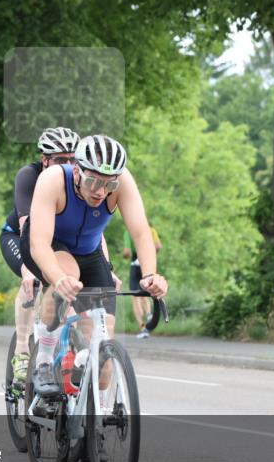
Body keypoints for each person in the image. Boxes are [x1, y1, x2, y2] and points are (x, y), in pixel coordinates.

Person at [22, 135, 168, 395]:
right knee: (67, 275)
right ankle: (43, 359)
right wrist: (57, 279)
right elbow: (39, 245)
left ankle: (86, 407)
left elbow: (142, 234)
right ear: (76, 170)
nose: (100, 191)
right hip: (48, 244)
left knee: (103, 359)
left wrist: (150, 275)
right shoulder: (53, 179)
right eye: (92, 181)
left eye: (108, 184)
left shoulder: (122, 183)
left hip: (90, 253)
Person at [0, 126, 80, 382]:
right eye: (59, 160)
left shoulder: (80, 179)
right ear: (45, 160)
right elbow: (27, 228)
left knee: (68, 288)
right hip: (20, 235)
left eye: (71, 160)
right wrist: (27, 269)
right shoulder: (29, 176)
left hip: (57, 240)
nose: (66, 166)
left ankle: (67, 352)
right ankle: (22, 349)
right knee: (33, 279)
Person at [122, 224, 162, 338]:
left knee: (135, 297)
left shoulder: (128, 231)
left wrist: (125, 255)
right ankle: (149, 314)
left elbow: (126, 251)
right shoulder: (152, 230)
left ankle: (142, 327)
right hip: (147, 265)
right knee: (145, 293)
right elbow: (158, 246)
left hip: (135, 263)